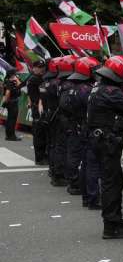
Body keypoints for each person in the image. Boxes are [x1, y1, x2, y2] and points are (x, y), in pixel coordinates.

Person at [86, 55, 123, 239]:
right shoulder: (111, 92)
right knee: (112, 183)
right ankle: (112, 225)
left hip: (100, 140)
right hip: (106, 142)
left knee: (113, 181)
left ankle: (115, 219)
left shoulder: (98, 88)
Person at [63, 56, 102, 209]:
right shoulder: (86, 90)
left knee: (85, 164)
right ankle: (92, 197)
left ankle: (86, 196)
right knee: (91, 165)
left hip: (78, 126)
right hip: (86, 127)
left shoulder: (72, 88)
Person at [43, 57, 67, 185]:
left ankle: (53, 170)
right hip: (57, 116)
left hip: (50, 114)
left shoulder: (48, 81)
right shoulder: (57, 83)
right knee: (59, 145)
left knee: (52, 144)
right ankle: (58, 174)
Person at [26, 60, 47, 162]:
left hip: (38, 107)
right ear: (34, 68)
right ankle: (39, 158)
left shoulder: (37, 78)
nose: (41, 69)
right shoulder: (35, 79)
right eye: (39, 67)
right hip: (37, 108)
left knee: (42, 133)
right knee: (39, 134)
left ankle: (42, 156)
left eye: (42, 67)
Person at [2, 66, 21, 141]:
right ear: (12, 74)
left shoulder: (7, 80)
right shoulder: (10, 81)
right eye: (15, 73)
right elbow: (7, 92)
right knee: (12, 120)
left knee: (10, 119)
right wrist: (6, 101)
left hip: (11, 101)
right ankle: (11, 136)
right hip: (12, 102)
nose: (16, 74)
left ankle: (9, 135)